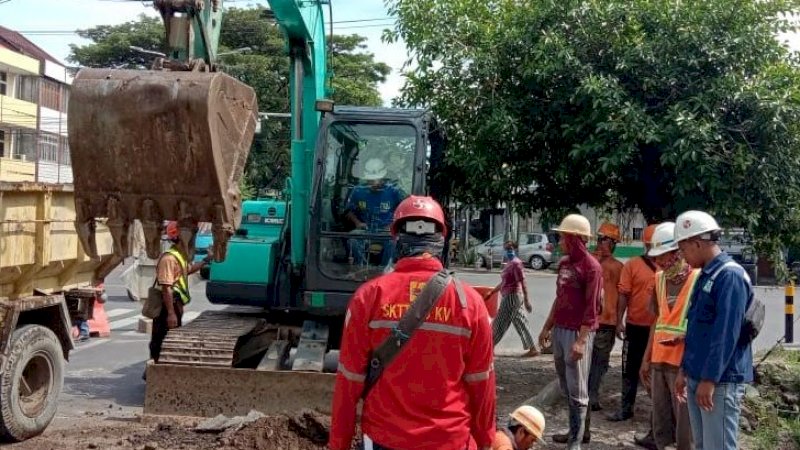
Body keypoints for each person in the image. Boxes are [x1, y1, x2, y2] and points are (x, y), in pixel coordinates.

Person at [329, 195, 496, 450]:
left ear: (397, 240)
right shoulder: (470, 303)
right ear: (441, 240)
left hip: (385, 439)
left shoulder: (369, 297)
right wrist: (486, 441)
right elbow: (482, 385)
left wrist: (338, 445)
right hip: (450, 441)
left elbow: (348, 383)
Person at [673, 211, 754, 450]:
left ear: (697, 243)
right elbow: (697, 328)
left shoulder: (729, 276)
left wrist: (709, 380)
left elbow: (725, 335)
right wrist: (684, 370)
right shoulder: (706, 274)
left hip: (719, 381)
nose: (683, 257)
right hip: (698, 374)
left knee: (718, 446)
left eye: (684, 250)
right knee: (703, 446)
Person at [538, 214, 602, 449]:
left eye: (563, 236)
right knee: (566, 385)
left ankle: (575, 442)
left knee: (578, 388)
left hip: (577, 332)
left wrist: (582, 341)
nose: (560, 241)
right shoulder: (565, 264)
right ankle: (574, 431)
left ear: (575, 239)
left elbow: (592, 307)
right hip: (560, 330)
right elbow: (560, 298)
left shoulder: (591, 268)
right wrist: (547, 326)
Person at [639, 222, 697, 450]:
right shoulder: (659, 279)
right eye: (656, 258)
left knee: (685, 426)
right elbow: (657, 321)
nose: (659, 262)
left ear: (678, 252)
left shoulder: (697, 278)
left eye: (663, 256)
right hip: (659, 362)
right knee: (660, 422)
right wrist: (646, 358)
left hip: (682, 363)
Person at [608, 224, 658, 423]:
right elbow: (623, 294)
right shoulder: (632, 265)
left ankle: (659, 414)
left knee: (656, 372)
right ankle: (626, 408)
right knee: (629, 369)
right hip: (635, 326)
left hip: (658, 330)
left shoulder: (670, 267)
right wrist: (619, 320)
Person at [148, 222, 211, 369]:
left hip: (175, 305)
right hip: (167, 306)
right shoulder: (169, 258)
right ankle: (155, 368)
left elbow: (186, 270)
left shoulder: (179, 255)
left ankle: (164, 367)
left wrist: (206, 260)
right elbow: (166, 288)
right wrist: (171, 313)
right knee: (161, 338)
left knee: (170, 338)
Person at [587, 222, 624, 412]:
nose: (603, 243)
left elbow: (622, 297)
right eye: (601, 239)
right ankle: (585, 394)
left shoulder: (618, 267)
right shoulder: (590, 262)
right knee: (586, 359)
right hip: (587, 321)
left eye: (607, 240)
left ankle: (592, 394)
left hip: (607, 322)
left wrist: (619, 322)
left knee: (600, 361)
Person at [345, 158, 408, 266]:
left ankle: (384, 271)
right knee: (352, 239)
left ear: (382, 177)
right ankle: (361, 268)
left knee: (395, 242)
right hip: (366, 230)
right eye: (370, 180)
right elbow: (348, 211)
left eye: (376, 179)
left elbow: (406, 210)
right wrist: (358, 223)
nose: (373, 182)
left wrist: (393, 225)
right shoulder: (358, 191)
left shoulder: (394, 191)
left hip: (386, 231)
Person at [485, 240, 538, 357]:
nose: (508, 252)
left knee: (500, 321)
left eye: (510, 249)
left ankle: (489, 346)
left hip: (512, 296)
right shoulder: (509, 263)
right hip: (509, 296)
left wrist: (527, 300)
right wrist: (492, 292)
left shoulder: (516, 263)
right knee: (521, 322)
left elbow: (523, 282)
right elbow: (504, 282)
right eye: (506, 249)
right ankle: (533, 348)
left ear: (515, 250)